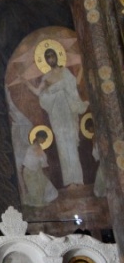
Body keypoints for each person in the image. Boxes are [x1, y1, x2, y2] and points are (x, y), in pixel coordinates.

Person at [28, 47, 87, 185]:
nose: (51, 59)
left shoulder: (65, 72)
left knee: (71, 145)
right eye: (48, 57)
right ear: (46, 61)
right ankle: (69, 182)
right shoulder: (46, 77)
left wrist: (82, 69)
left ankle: (78, 180)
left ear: (56, 56)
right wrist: (26, 83)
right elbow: (39, 94)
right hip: (56, 114)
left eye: (52, 56)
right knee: (62, 147)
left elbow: (73, 87)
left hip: (68, 111)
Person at [20, 129, 58, 206]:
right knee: (37, 197)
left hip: (35, 172)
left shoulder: (37, 147)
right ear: (40, 138)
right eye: (44, 138)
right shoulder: (35, 148)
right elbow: (42, 163)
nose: (45, 140)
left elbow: (42, 163)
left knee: (50, 190)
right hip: (30, 174)